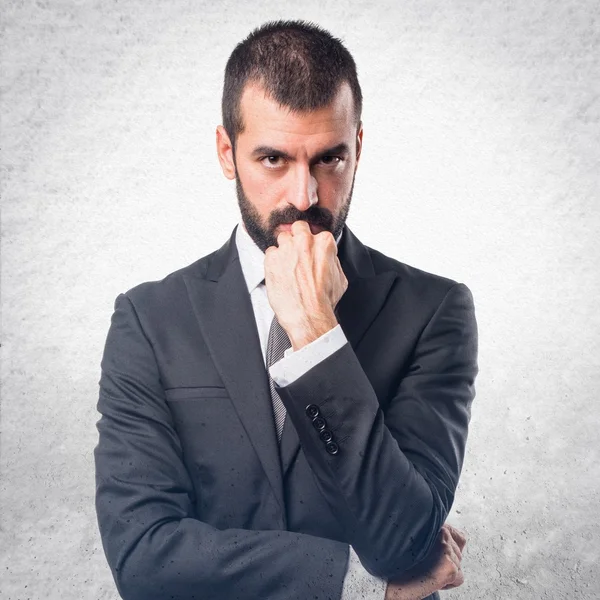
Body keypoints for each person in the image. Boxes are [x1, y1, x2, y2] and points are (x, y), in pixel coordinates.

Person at [94, 19, 478, 600]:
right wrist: (349, 580)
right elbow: (145, 559)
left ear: (359, 149)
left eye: (330, 160)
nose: (304, 197)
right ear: (227, 152)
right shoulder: (149, 321)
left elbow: (405, 542)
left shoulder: (435, 312)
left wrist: (317, 336)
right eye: (273, 159)